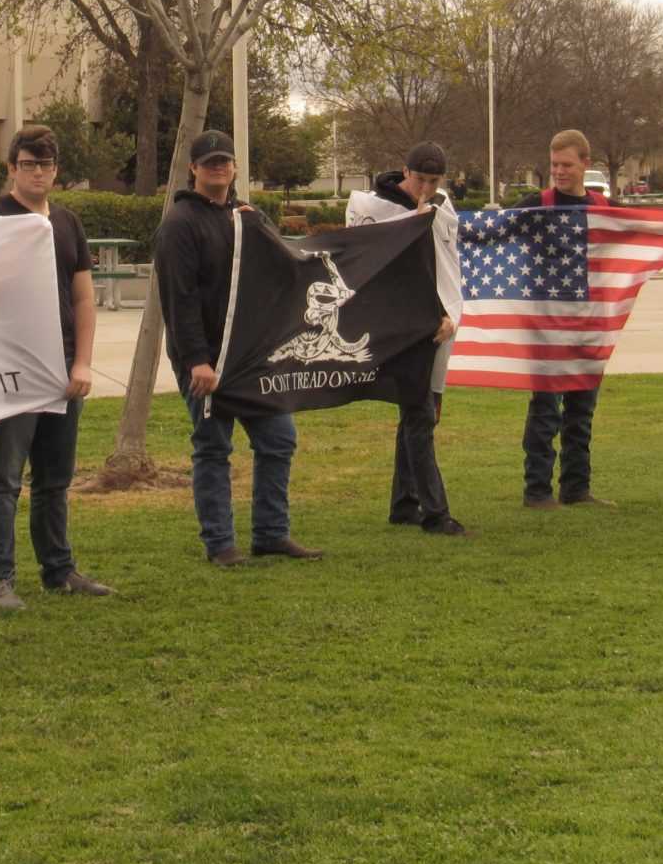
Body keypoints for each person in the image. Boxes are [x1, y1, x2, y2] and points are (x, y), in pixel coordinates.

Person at [156, 130, 320, 566]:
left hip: (251, 356)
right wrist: (196, 361)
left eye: (224, 161)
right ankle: (220, 545)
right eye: (209, 162)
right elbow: (179, 299)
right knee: (213, 447)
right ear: (193, 168)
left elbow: (285, 265)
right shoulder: (179, 225)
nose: (218, 168)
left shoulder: (247, 217)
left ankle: (270, 533)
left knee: (279, 438)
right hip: (206, 360)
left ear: (234, 167)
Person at [0, 124, 114, 609]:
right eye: (29, 163)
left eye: (47, 164)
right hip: (11, 367)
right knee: (3, 476)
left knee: (54, 477)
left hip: (61, 367)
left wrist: (83, 362)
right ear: (12, 168)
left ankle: (58, 570)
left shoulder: (68, 223)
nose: (39, 172)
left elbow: (82, 297)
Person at [344, 141, 467, 536]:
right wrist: (412, 224)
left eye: (434, 181)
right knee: (419, 416)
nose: (426, 189)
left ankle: (404, 503)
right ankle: (435, 513)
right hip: (403, 325)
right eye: (420, 180)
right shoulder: (372, 209)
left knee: (422, 411)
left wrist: (448, 312)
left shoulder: (443, 207)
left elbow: (447, 265)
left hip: (437, 322)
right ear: (404, 171)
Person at [512, 129, 612, 509]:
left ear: (586, 164)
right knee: (545, 410)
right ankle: (537, 490)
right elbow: (495, 232)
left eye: (567, 165)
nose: (559, 172)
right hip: (547, 326)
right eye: (554, 165)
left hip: (590, 324)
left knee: (581, 411)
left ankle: (576, 488)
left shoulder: (603, 208)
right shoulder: (537, 203)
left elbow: (641, 235)